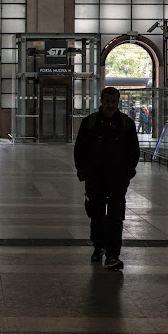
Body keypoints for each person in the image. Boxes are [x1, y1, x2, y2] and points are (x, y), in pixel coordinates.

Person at [74, 87, 139, 271]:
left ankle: (112, 254)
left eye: (113, 102)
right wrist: (83, 172)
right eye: (107, 101)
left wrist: (128, 173)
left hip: (117, 179)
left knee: (116, 218)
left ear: (118, 102)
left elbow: (134, 151)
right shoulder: (90, 123)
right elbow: (80, 149)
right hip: (96, 179)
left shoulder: (126, 123)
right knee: (96, 215)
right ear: (101, 101)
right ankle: (98, 246)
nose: (110, 105)